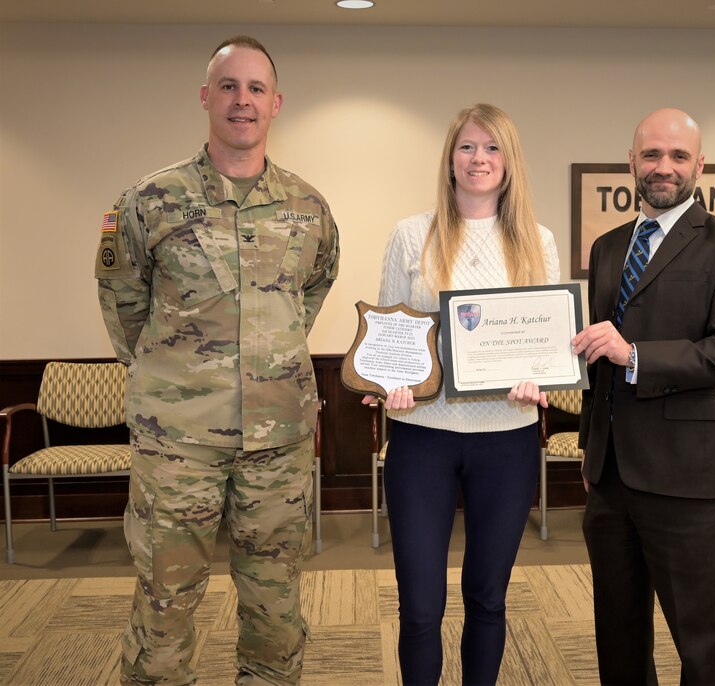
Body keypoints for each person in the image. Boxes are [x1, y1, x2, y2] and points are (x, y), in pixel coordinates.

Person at [95, 35, 339, 686]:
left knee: (275, 605)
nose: (242, 100)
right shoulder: (148, 202)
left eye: (256, 88)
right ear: (206, 97)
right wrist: (168, 376)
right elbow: (122, 300)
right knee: (165, 604)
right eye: (229, 86)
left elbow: (310, 291)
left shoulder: (308, 207)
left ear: (276, 103)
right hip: (178, 447)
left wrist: (266, 356)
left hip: (278, 443)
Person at [364, 103, 560, 685]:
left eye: (493, 148)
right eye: (468, 147)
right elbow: (390, 334)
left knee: (487, 597)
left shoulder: (537, 241)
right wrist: (390, 381)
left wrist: (539, 376)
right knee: (420, 608)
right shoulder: (410, 233)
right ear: (450, 159)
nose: (480, 159)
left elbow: (545, 337)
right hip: (422, 438)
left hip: (509, 439)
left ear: (510, 162)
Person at [572, 108, 715, 684]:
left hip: (687, 479)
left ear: (700, 166)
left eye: (678, 156)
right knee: (619, 633)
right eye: (651, 154)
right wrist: (589, 446)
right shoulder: (608, 248)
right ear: (631, 161)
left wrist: (636, 355)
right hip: (609, 478)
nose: (664, 167)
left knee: (703, 640)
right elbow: (595, 361)